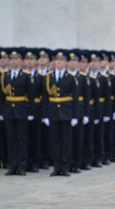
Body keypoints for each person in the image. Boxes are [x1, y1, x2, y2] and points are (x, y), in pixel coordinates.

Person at [43, 49, 79, 177]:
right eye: (57, 60)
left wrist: (75, 115)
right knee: (55, 141)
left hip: (66, 112)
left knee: (66, 141)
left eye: (61, 60)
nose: (58, 62)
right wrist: (45, 115)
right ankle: (56, 166)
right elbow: (45, 98)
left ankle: (65, 166)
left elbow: (75, 98)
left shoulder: (70, 78)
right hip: (53, 113)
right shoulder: (48, 77)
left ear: (66, 62)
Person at [0, 48, 33, 175]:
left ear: (20, 61)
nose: (13, 62)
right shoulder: (5, 75)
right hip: (9, 110)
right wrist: (3, 112)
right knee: (11, 138)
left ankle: (22, 166)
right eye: (11, 59)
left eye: (16, 59)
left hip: (21, 109)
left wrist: (30, 112)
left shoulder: (25, 76)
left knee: (21, 139)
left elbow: (30, 95)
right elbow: (2, 96)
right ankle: (12, 165)